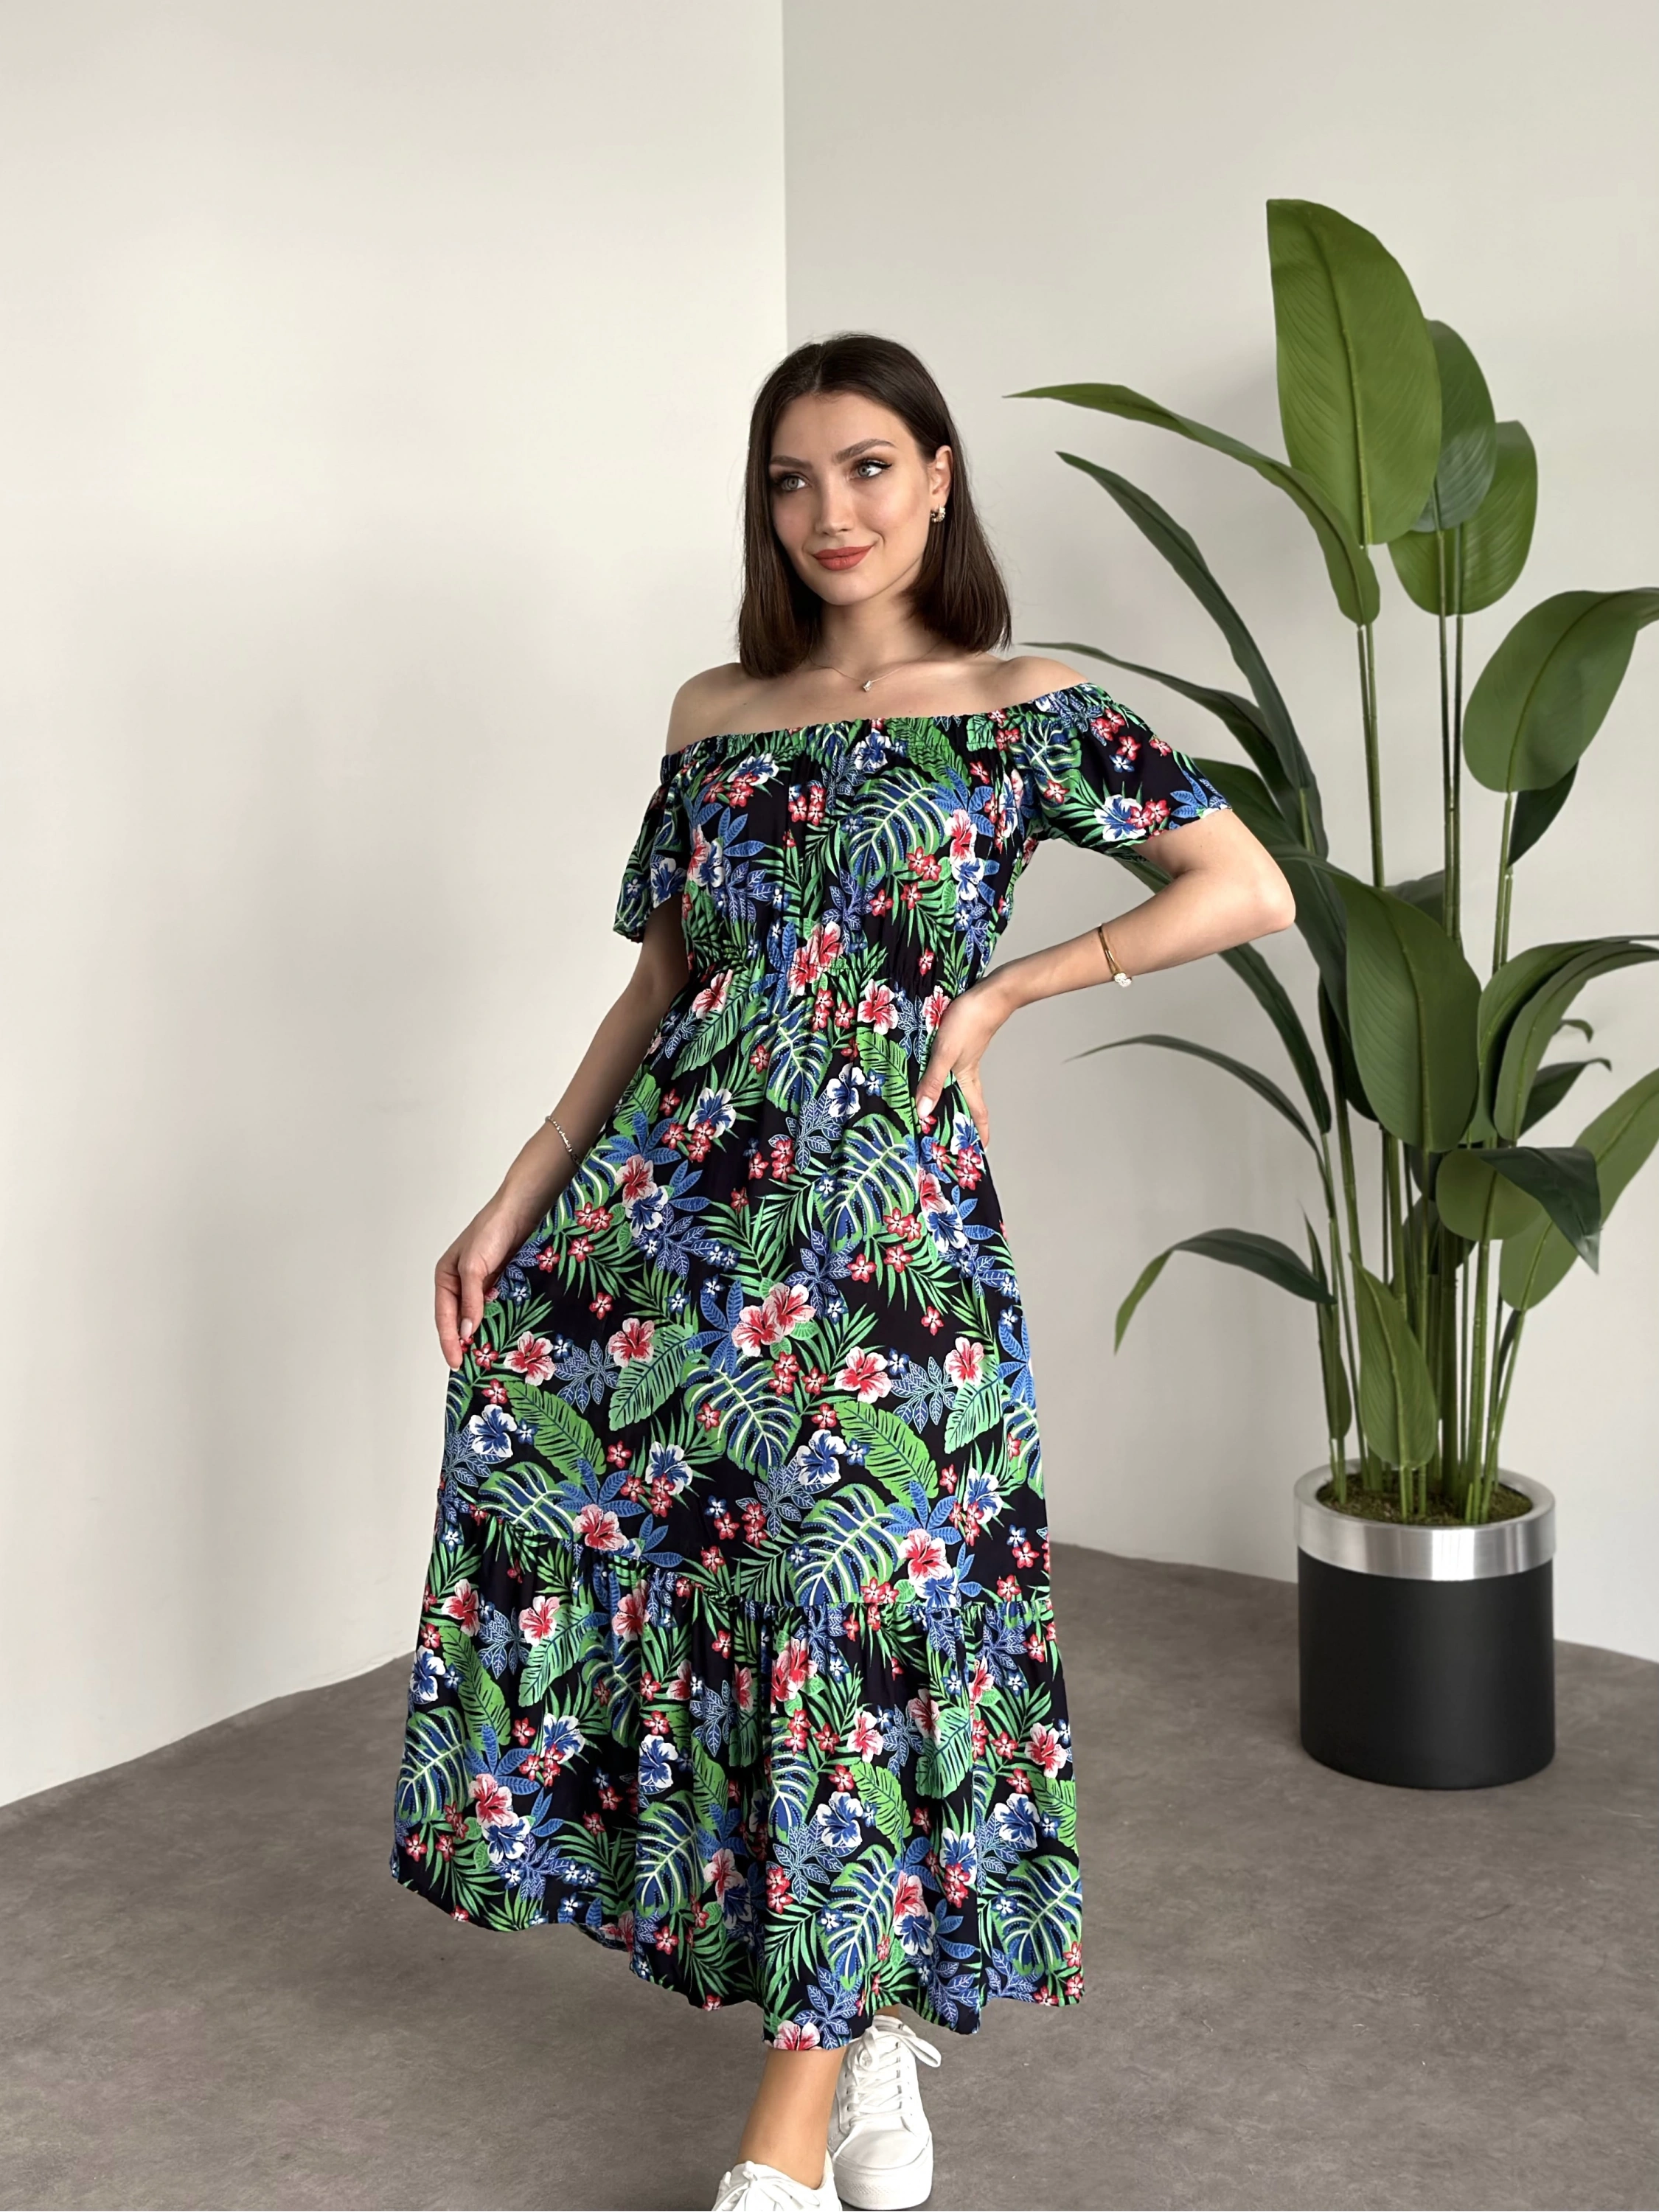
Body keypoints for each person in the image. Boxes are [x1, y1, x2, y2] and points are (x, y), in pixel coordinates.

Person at [389, 332, 1294, 2212]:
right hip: (674, 1227)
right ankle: (863, 2012)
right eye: (794, 479)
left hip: (889, 1245)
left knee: (849, 1612)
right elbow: (660, 988)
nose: (833, 512)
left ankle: (781, 2148)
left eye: (870, 467)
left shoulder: (1029, 704)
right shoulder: (713, 712)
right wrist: (511, 1200)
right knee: (588, 1500)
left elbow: (1246, 884)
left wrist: (1019, 988)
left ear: (941, 478)